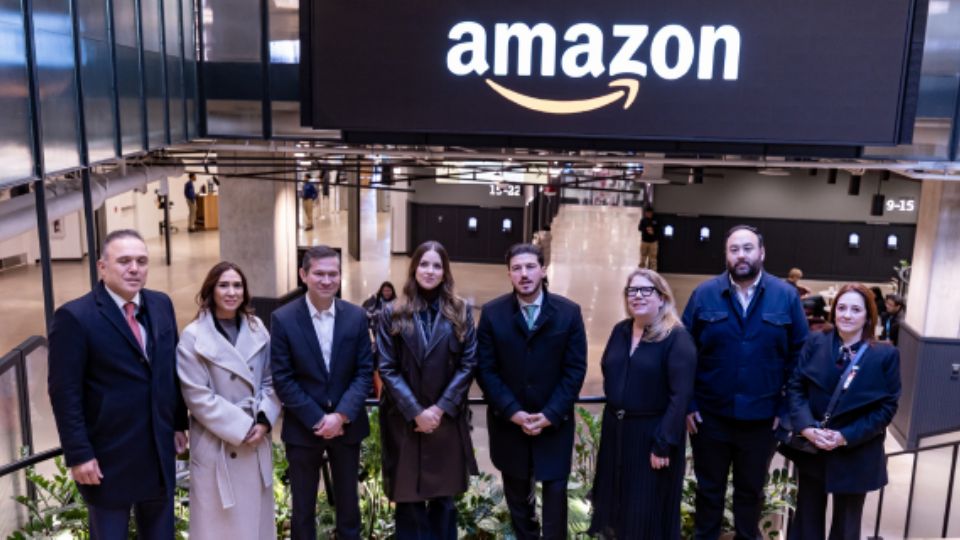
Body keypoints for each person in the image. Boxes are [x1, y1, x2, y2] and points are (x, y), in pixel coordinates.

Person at [48, 229, 188, 539]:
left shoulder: (161, 304)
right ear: (102, 267)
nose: (134, 269)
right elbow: (64, 392)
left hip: (157, 451)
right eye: (124, 261)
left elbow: (169, 370)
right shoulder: (75, 317)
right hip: (108, 459)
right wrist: (79, 454)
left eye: (141, 261)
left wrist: (178, 423)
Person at [682, 224, 808, 540]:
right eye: (734, 249)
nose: (741, 255)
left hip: (763, 419)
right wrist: (689, 403)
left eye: (748, 248)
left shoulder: (786, 297)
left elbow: (800, 358)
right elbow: (683, 355)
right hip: (709, 418)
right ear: (726, 255)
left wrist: (786, 409)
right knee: (708, 493)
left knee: (750, 494)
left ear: (761, 253)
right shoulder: (704, 294)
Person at [476, 243, 587, 540]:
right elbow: (486, 370)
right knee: (518, 506)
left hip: (554, 426)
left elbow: (575, 370)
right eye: (516, 268)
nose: (524, 274)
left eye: (529, 267)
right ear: (509, 274)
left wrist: (550, 414)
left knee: (555, 504)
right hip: (509, 426)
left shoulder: (568, 313)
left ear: (542, 269)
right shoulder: (492, 314)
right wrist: (513, 412)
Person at [375, 241, 478, 539]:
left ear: (445, 272)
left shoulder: (460, 311)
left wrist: (439, 408)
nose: (430, 271)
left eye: (437, 265)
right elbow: (387, 366)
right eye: (424, 264)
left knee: (444, 503)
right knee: (408, 505)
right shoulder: (392, 312)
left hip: (444, 421)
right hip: (404, 422)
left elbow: (469, 363)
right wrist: (416, 412)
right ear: (414, 268)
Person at [270, 245, 374, 540]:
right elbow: (283, 377)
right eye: (319, 273)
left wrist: (340, 416)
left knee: (348, 505)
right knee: (302, 509)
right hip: (304, 429)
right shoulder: (284, 319)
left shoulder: (356, 316)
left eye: (333, 274)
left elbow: (364, 371)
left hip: (347, 428)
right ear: (304, 274)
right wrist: (319, 418)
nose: (327, 280)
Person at [785, 283, 901, 540]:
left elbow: (886, 408)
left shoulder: (885, 355)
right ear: (833, 311)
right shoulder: (815, 341)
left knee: (847, 527)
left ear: (868, 316)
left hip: (855, 451)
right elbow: (795, 387)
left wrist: (844, 436)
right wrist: (806, 428)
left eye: (856, 309)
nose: (847, 315)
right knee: (806, 521)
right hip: (813, 447)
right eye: (842, 308)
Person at [176, 261, 282, 539]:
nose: (231, 292)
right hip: (218, 446)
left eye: (237, 285)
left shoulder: (257, 328)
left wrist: (263, 421)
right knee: (218, 528)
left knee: (255, 527)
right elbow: (198, 397)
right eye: (223, 285)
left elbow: (272, 379)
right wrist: (242, 426)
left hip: (255, 442)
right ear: (211, 290)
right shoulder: (193, 337)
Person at [589, 269, 697, 539]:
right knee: (615, 507)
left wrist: (663, 442)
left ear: (662, 298)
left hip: (652, 435)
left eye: (645, 290)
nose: (637, 296)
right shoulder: (621, 330)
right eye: (632, 291)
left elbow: (680, 397)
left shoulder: (676, 338)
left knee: (644, 511)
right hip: (617, 431)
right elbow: (609, 370)